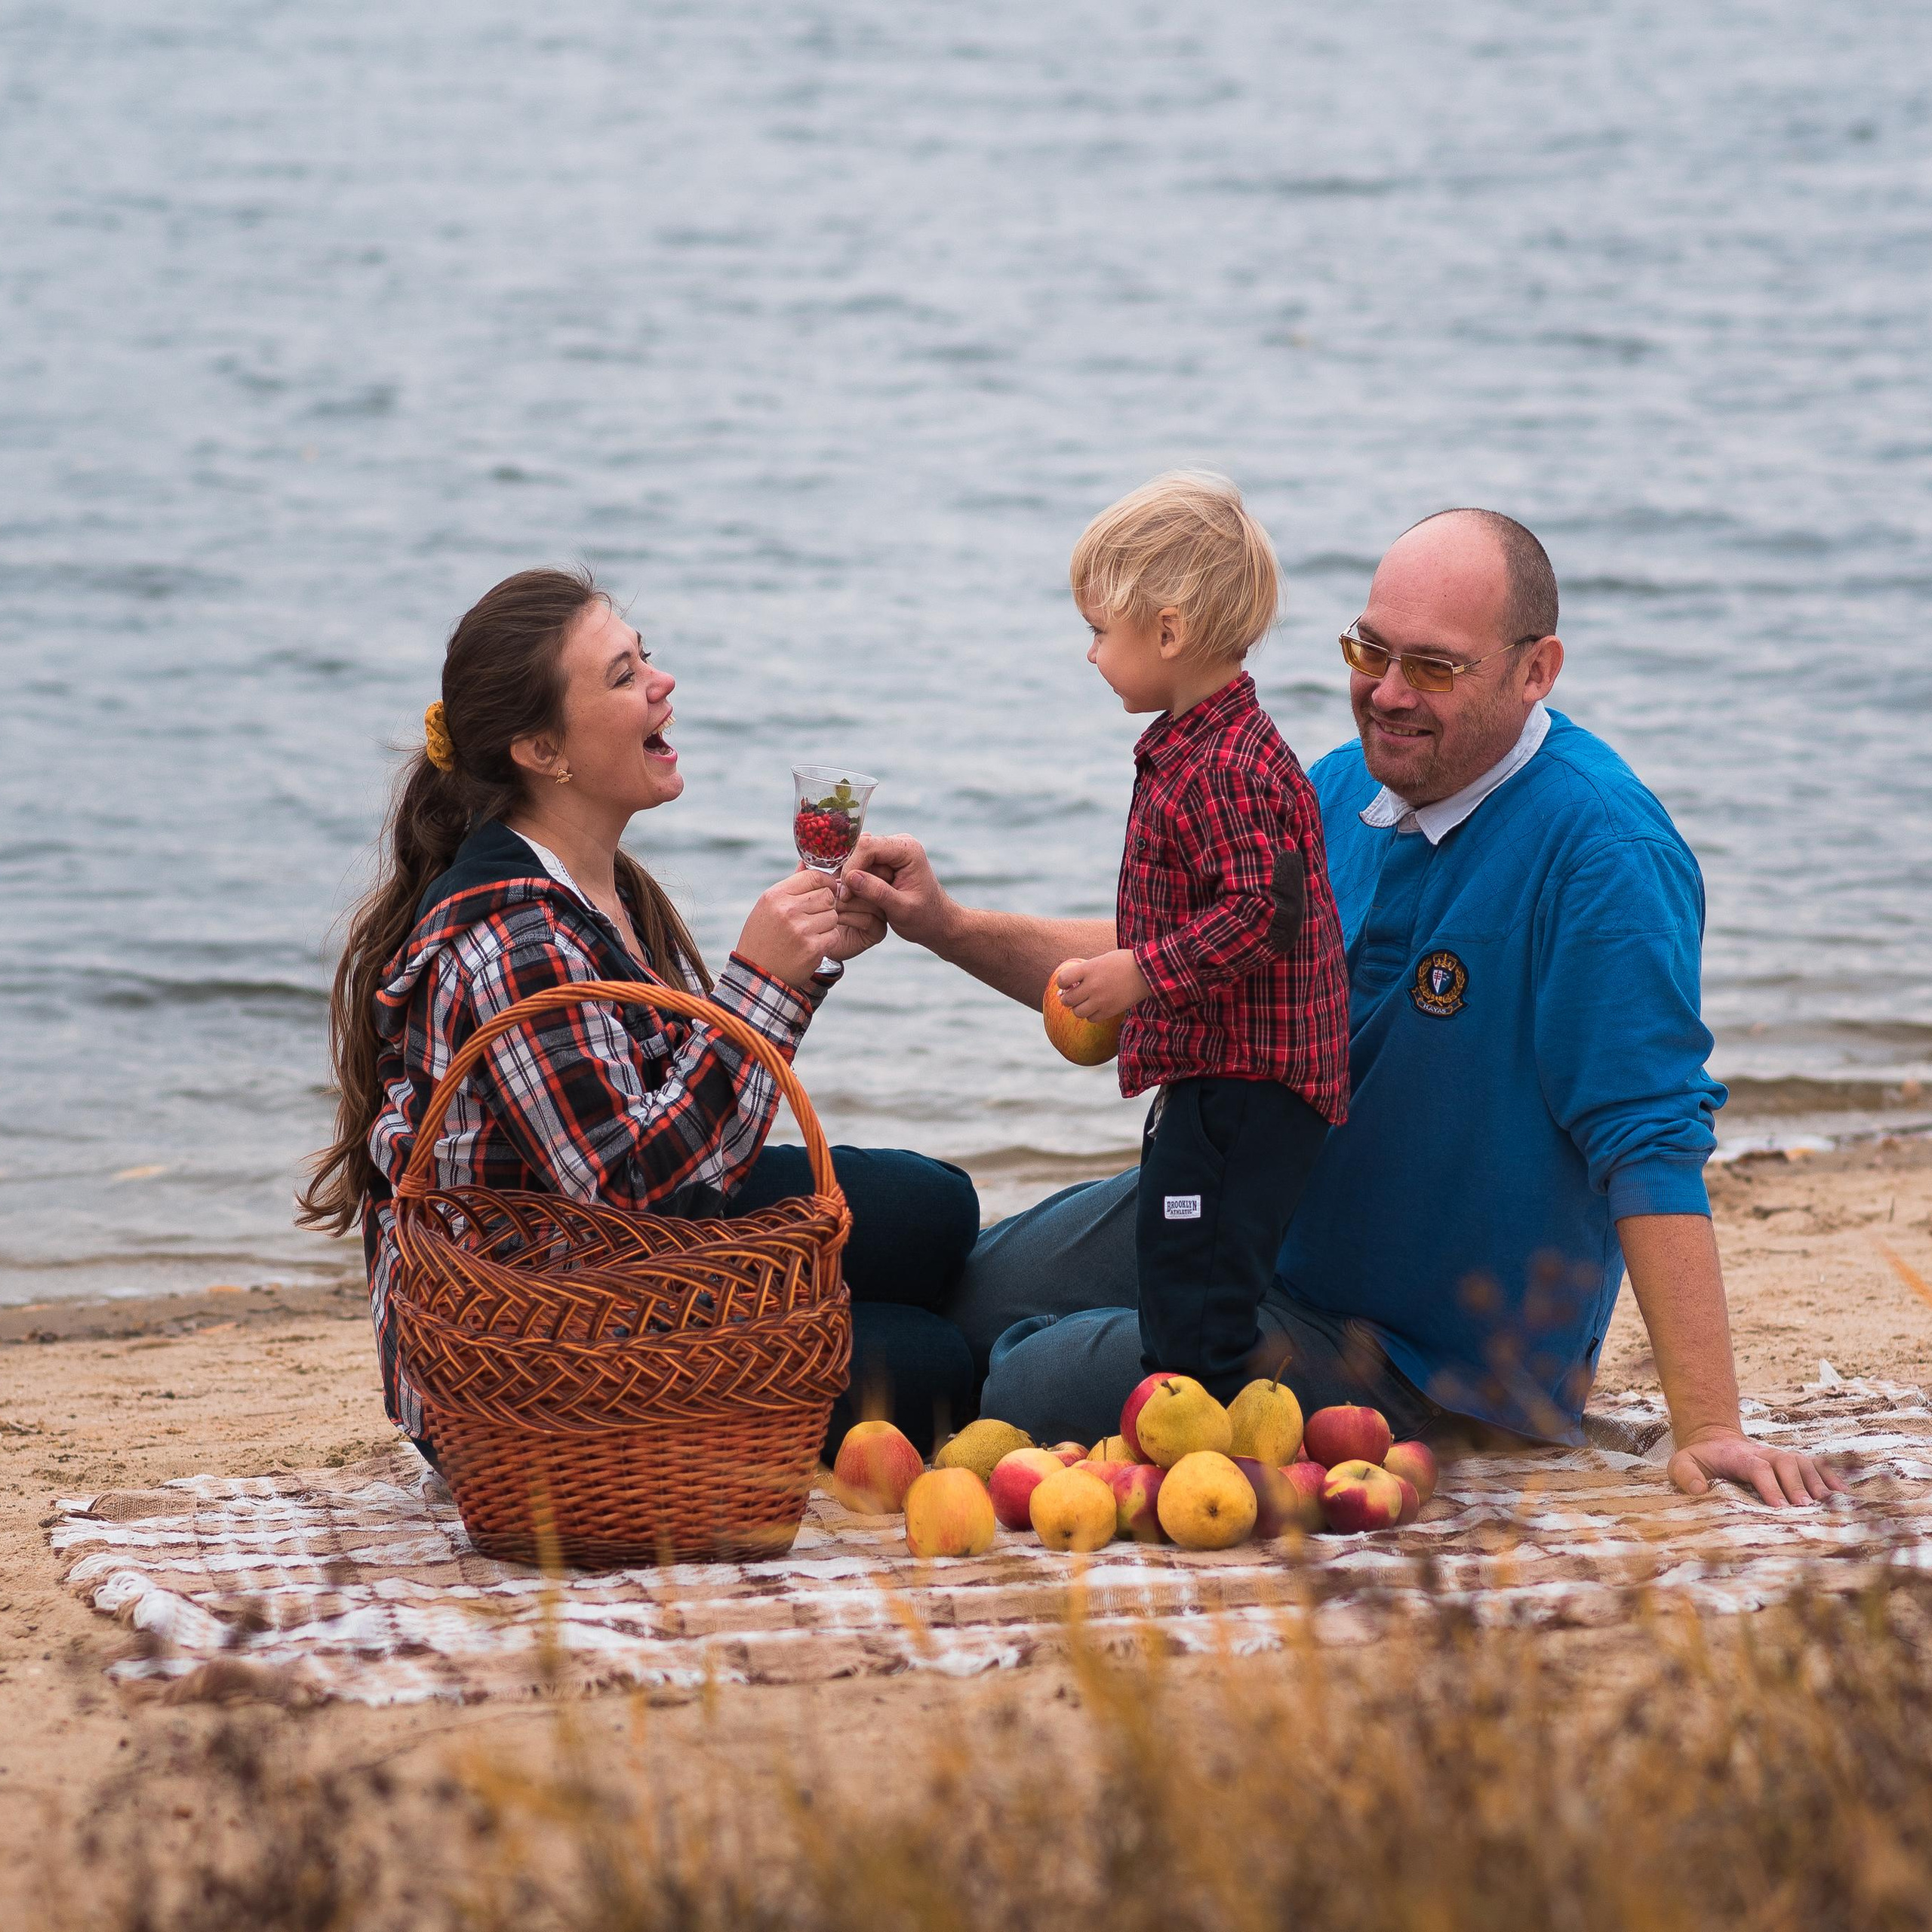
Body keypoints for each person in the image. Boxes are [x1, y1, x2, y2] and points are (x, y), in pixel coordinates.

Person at [844, 509, 1844, 1508]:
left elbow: (1651, 1138)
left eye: (1435, 667)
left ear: (1537, 670)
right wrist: (946, 924)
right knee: (967, 1290)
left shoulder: (1603, 856)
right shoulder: (1335, 788)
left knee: (1026, 1375)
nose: (1389, 694)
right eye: (1371, 650)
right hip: (1242, 1218)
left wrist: (1710, 1427)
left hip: (1416, 1358)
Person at [297, 565, 978, 1461]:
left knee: (933, 1210)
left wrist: (798, 967)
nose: (662, 684)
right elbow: (645, 1194)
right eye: (623, 675)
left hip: (599, 1269)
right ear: (543, 751)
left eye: (644, 657)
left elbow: (666, 1129)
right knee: (936, 1362)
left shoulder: (595, 888)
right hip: (529, 1363)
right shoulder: (516, 943)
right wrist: (761, 987)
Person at [1049, 472, 1351, 1400]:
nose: (1091, 653)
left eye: (1101, 629)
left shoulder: (1222, 764)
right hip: (1225, 1071)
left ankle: (1214, 1454)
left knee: (1197, 1290)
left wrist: (1141, 972)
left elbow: (1264, 908)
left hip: (1246, 1087)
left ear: (1169, 632)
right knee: (1185, 1271)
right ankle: (1207, 1440)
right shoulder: (1206, 744)